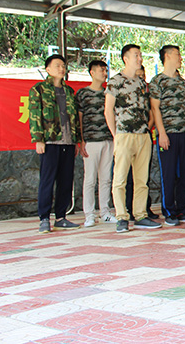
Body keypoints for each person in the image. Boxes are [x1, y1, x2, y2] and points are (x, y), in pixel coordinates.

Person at [105, 44, 161, 233]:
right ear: (125, 58)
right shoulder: (115, 81)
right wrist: (116, 135)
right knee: (120, 179)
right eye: (136, 55)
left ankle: (140, 215)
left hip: (142, 135)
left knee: (141, 179)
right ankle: (122, 216)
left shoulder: (140, 82)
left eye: (140, 55)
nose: (140, 59)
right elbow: (108, 110)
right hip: (124, 135)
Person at [29, 54, 82, 233]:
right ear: (48, 69)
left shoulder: (69, 91)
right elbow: (35, 116)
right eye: (57, 65)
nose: (61, 68)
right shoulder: (39, 89)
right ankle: (44, 218)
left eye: (63, 65)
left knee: (66, 180)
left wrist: (77, 141)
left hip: (68, 141)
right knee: (47, 180)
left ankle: (61, 217)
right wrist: (38, 140)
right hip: (50, 141)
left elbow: (74, 118)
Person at [150, 45, 185, 226]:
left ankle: (183, 209)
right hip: (167, 134)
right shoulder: (157, 81)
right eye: (178, 54)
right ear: (168, 56)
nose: (180, 57)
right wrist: (161, 133)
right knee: (168, 174)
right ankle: (169, 210)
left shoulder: (182, 82)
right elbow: (155, 108)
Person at [76, 60, 115, 227]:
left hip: (108, 139)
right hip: (91, 140)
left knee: (106, 178)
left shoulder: (109, 92)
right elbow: (79, 118)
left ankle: (105, 212)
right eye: (100, 70)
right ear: (91, 72)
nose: (104, 73)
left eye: (105, 70)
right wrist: (81, 139)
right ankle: (89, 214)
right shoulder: (83, 93)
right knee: (90, 179)